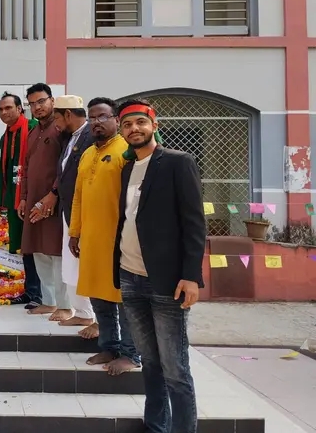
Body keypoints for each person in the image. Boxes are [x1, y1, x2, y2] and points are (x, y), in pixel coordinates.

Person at [114, 99, 206, 433]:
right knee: (150, 363)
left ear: (155, 125)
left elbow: (194, 224)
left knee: (175, 368)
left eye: (140, 122)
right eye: (127, 125)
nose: (134, 129)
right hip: (130, 276)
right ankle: (156, 425)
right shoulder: (128, 168)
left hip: (166, 281)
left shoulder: (178, 163)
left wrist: (191, 276)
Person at [68, 97, 141, 375]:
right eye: (92, 118)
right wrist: (75, 232)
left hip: (120, 240)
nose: (96, 122)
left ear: (116, 120)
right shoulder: (88, 153)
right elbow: (78, 196)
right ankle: (109, 346)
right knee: (99, 296)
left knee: (123, 298)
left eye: (102, 117)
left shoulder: (126, 152)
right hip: (91, 239)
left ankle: (131, 354)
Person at [19, 83, 69, 320]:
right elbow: (26, 169)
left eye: (41, 101)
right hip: (33, 202)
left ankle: (65, 306)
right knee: (38, 251)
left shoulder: (61, 130)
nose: (37, 107)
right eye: (32, 104)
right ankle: (48, 302)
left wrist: (53, 195)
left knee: (56, 251)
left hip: (54, 202)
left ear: (52, 100)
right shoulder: (33, 132)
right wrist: (24, 198)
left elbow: (66, 167)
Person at [0, 92, 42, 308]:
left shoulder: (33, 128)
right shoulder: (6, 136)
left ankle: (42, 296)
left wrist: (28, 196)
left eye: (8, 108)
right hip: (16, 196)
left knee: (36, 245)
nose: (4, 113)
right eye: (1, 109)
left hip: (33, 196)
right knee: (24, 245)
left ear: (20, 109)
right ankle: (31, 292)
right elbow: (4, 171)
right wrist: (1, 199)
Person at [50, 95, 95, 328]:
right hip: (70, 210)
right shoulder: (71, 137)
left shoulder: (90, 137)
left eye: (57, 118)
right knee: (71, 262)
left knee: (82, 262)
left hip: (86, 213)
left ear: (68, 114)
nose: (55, 124)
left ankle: (91, 314)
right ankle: (83, 312)